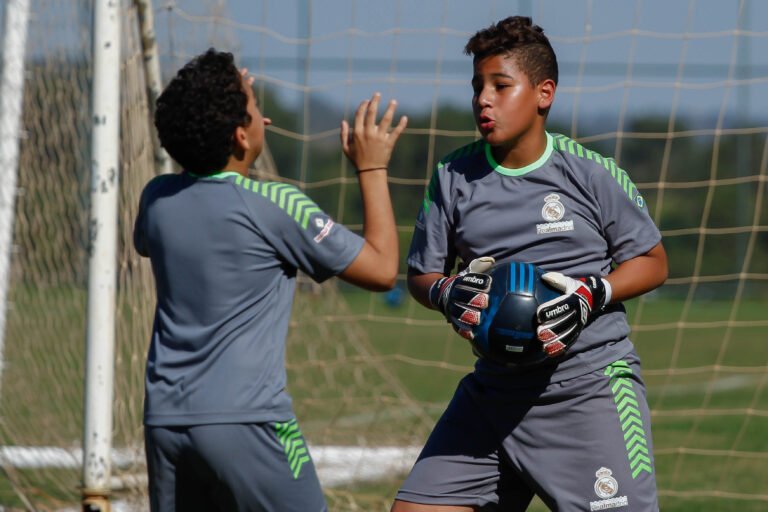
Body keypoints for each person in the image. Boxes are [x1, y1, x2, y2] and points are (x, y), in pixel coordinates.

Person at [393, 16, 667, 512]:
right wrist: (443, 293)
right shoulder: (452, 176)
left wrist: (593, 292)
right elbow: (421, 274)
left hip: (588, 390)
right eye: (477, 86)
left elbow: (651, 261)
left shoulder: (590, 173)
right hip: (493, 394)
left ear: (544, 93)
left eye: (500, 85)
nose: (483, 99)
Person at [133, 48, 407, 511]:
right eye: (256, 107)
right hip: (250, 422)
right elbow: (381, 270)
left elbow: (197, 191)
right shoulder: (275, 204)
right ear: (241, 135)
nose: (263, 113)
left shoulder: (156, 200)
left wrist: (217, 108)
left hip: (165, 421)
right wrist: (372, 167)